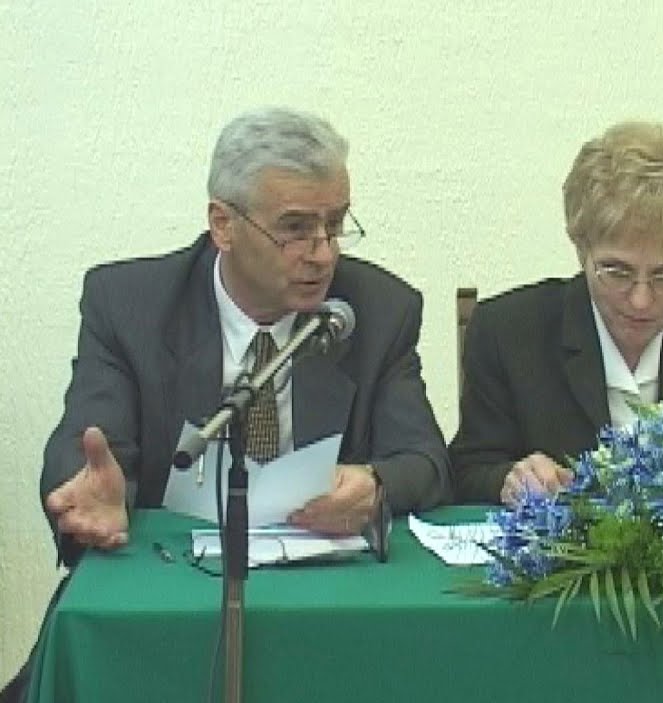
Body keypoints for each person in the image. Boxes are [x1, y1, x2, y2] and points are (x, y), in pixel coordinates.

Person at [39, 107, 451, 563]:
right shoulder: (130, 307)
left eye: (334, 225)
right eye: (295, 230)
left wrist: (375, 485)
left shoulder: (379, 309)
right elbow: (88, 448)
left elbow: (425, 462)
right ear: (223, 225)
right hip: (177, 572)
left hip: (327, 579)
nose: (323, 254)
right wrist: (90, 493)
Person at [450, 120, 663, 506]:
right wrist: (508, 478)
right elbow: (466, 470)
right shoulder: (509, 331)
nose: (640, 300)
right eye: (617, 272)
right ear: (582, 251)